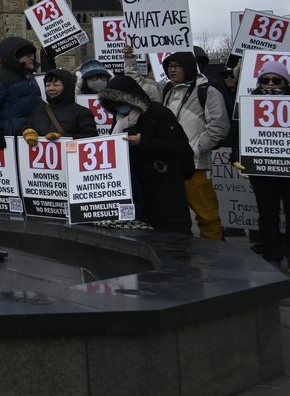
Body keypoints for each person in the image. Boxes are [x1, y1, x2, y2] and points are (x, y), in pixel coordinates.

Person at [98, 75, 194, 234]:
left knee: (173, 235)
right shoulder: (120, 119)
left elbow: (176, 146)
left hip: (164, 188)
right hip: (139, 187)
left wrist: (144, 142)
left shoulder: (159, 113)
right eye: (114, 104)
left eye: (122, 103)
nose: (119, 107)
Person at [156, 51, 230, 240]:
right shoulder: (168, 91)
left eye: (176, 66)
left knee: (207, 217)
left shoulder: (207, 91)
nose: (172, 70)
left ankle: (217, 258)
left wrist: (194, 151)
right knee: (175, 217)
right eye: (169, 67)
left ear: (188, 67)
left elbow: (219, 127)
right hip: (172, 166)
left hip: (195, 166)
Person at [245, 60, 290, 266]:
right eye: (266, 80)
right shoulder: (248, 103)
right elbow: (241, 133)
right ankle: (272, 255)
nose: (271, 84)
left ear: (285, 82)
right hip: (262, 169)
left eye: (276, 80)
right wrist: (240, 156)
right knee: (267, 213)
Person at [0, 38, 43, 147]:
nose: (32, 58)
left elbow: (36, 103)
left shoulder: (29, 76)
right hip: (11, 142)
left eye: (32, 55)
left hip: (31, 138)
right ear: (15, 57)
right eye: (27, 55)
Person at [26, 68, 98, 142]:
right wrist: (27, 132)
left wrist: (63, 138)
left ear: (67, 87)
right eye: (48, 85)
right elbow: (26, 128)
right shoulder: (37, 111)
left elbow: (91, 139)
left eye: (56, 85)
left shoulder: (82, 113)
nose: (51, 88)